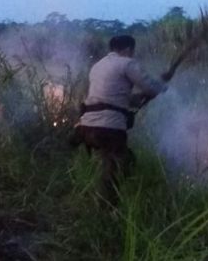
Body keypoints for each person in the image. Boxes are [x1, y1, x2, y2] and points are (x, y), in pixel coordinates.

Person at [71, 35, 169, 204]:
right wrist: (162, 84)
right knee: (121, 165)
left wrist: (137, 98)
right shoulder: (127, 63)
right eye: (132, 51)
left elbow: (112, 96)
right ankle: (106, 207)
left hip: (87, 126)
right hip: (109, 127)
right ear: (129, 49)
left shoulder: (97, 66)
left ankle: (101, 199)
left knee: (109, 163)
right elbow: (151, 88)